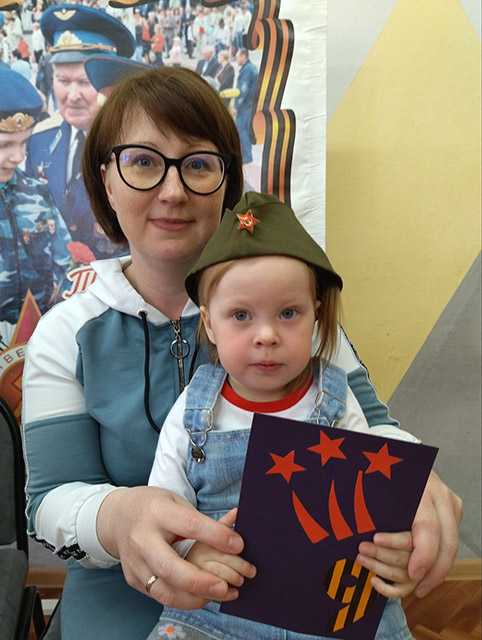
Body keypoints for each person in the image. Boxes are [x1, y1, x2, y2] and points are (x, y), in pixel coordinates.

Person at [22, 66, 462, 640]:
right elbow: (48, 501)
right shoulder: (66, 333)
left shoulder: (287, 312)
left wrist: (416, 487)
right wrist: (118, 518)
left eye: (199, 164)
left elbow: (373, 429)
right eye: (143, 162)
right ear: (106, 179)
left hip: (307, 603)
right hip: (121, 611)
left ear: (227, 182)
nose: (173, 191)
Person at [146, 192, 424, 639]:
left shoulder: (336, 399)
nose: (267, 335)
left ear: (316, 315)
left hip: (331, 604)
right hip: (218, 606)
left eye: (288, 313)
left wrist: (394, 545)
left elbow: (378, 498)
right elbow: (163, 506)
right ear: (210, 324)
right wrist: (191, 552)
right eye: (241, 315)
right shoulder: (194, 408)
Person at [25, 3, 135, 260]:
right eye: (63, 81)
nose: (72, 95)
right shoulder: (40, 140)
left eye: (84, 82)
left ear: (112, 84)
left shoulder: (137, 145)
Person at [0, 66, 71, 323]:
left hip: (41, 334)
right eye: (5, 145)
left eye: (24, 143)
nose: (18, 157)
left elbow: (65, 264)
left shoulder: (36, 194)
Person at [234, 48, 258, 165]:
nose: (236, 59)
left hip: (245, 105)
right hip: (250, 104)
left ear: (243, 56)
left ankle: (247, 156)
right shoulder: (250, 68)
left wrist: (237, 106)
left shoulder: (247, 70)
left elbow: (243, 90)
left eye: (237, 57)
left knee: (242, 130)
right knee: (244, 130)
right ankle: (246, 155)